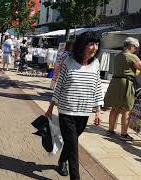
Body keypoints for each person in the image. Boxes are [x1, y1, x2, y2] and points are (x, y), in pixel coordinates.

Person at [45, 32, 103, 180]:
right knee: (74, 147)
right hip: (66, 111)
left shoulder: (96, 64)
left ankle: (62, 160)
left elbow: (97, 87)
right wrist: (51, 106)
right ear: (82, 45)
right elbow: (59, 86)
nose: (94, 48)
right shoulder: (68, 62)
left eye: (96, 44)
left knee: (71, 142)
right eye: (91, 44)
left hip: (84, 112)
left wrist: (98, 111)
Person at [104, 37, 141, 141]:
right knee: (127, 109)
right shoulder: (133, 57)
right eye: (136, 47)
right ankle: (124, 134)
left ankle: (110, 130)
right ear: (131, 46)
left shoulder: (117, 55)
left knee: (115, 108)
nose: (136, 49)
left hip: (115, 82)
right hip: (126, 83)